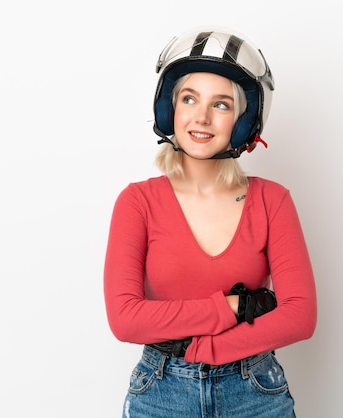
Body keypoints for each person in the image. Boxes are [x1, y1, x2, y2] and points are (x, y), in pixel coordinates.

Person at [103, 26, 317, 417]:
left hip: (254, 390)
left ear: (243, 119)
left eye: (221, 104)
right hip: (161, 391)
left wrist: (210, 349)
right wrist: (234, 307)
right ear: (171, 109)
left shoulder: (273, 200)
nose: (201, 117)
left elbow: (299, 315)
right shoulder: (137, 202)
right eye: (189, 99)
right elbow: (125, 319)